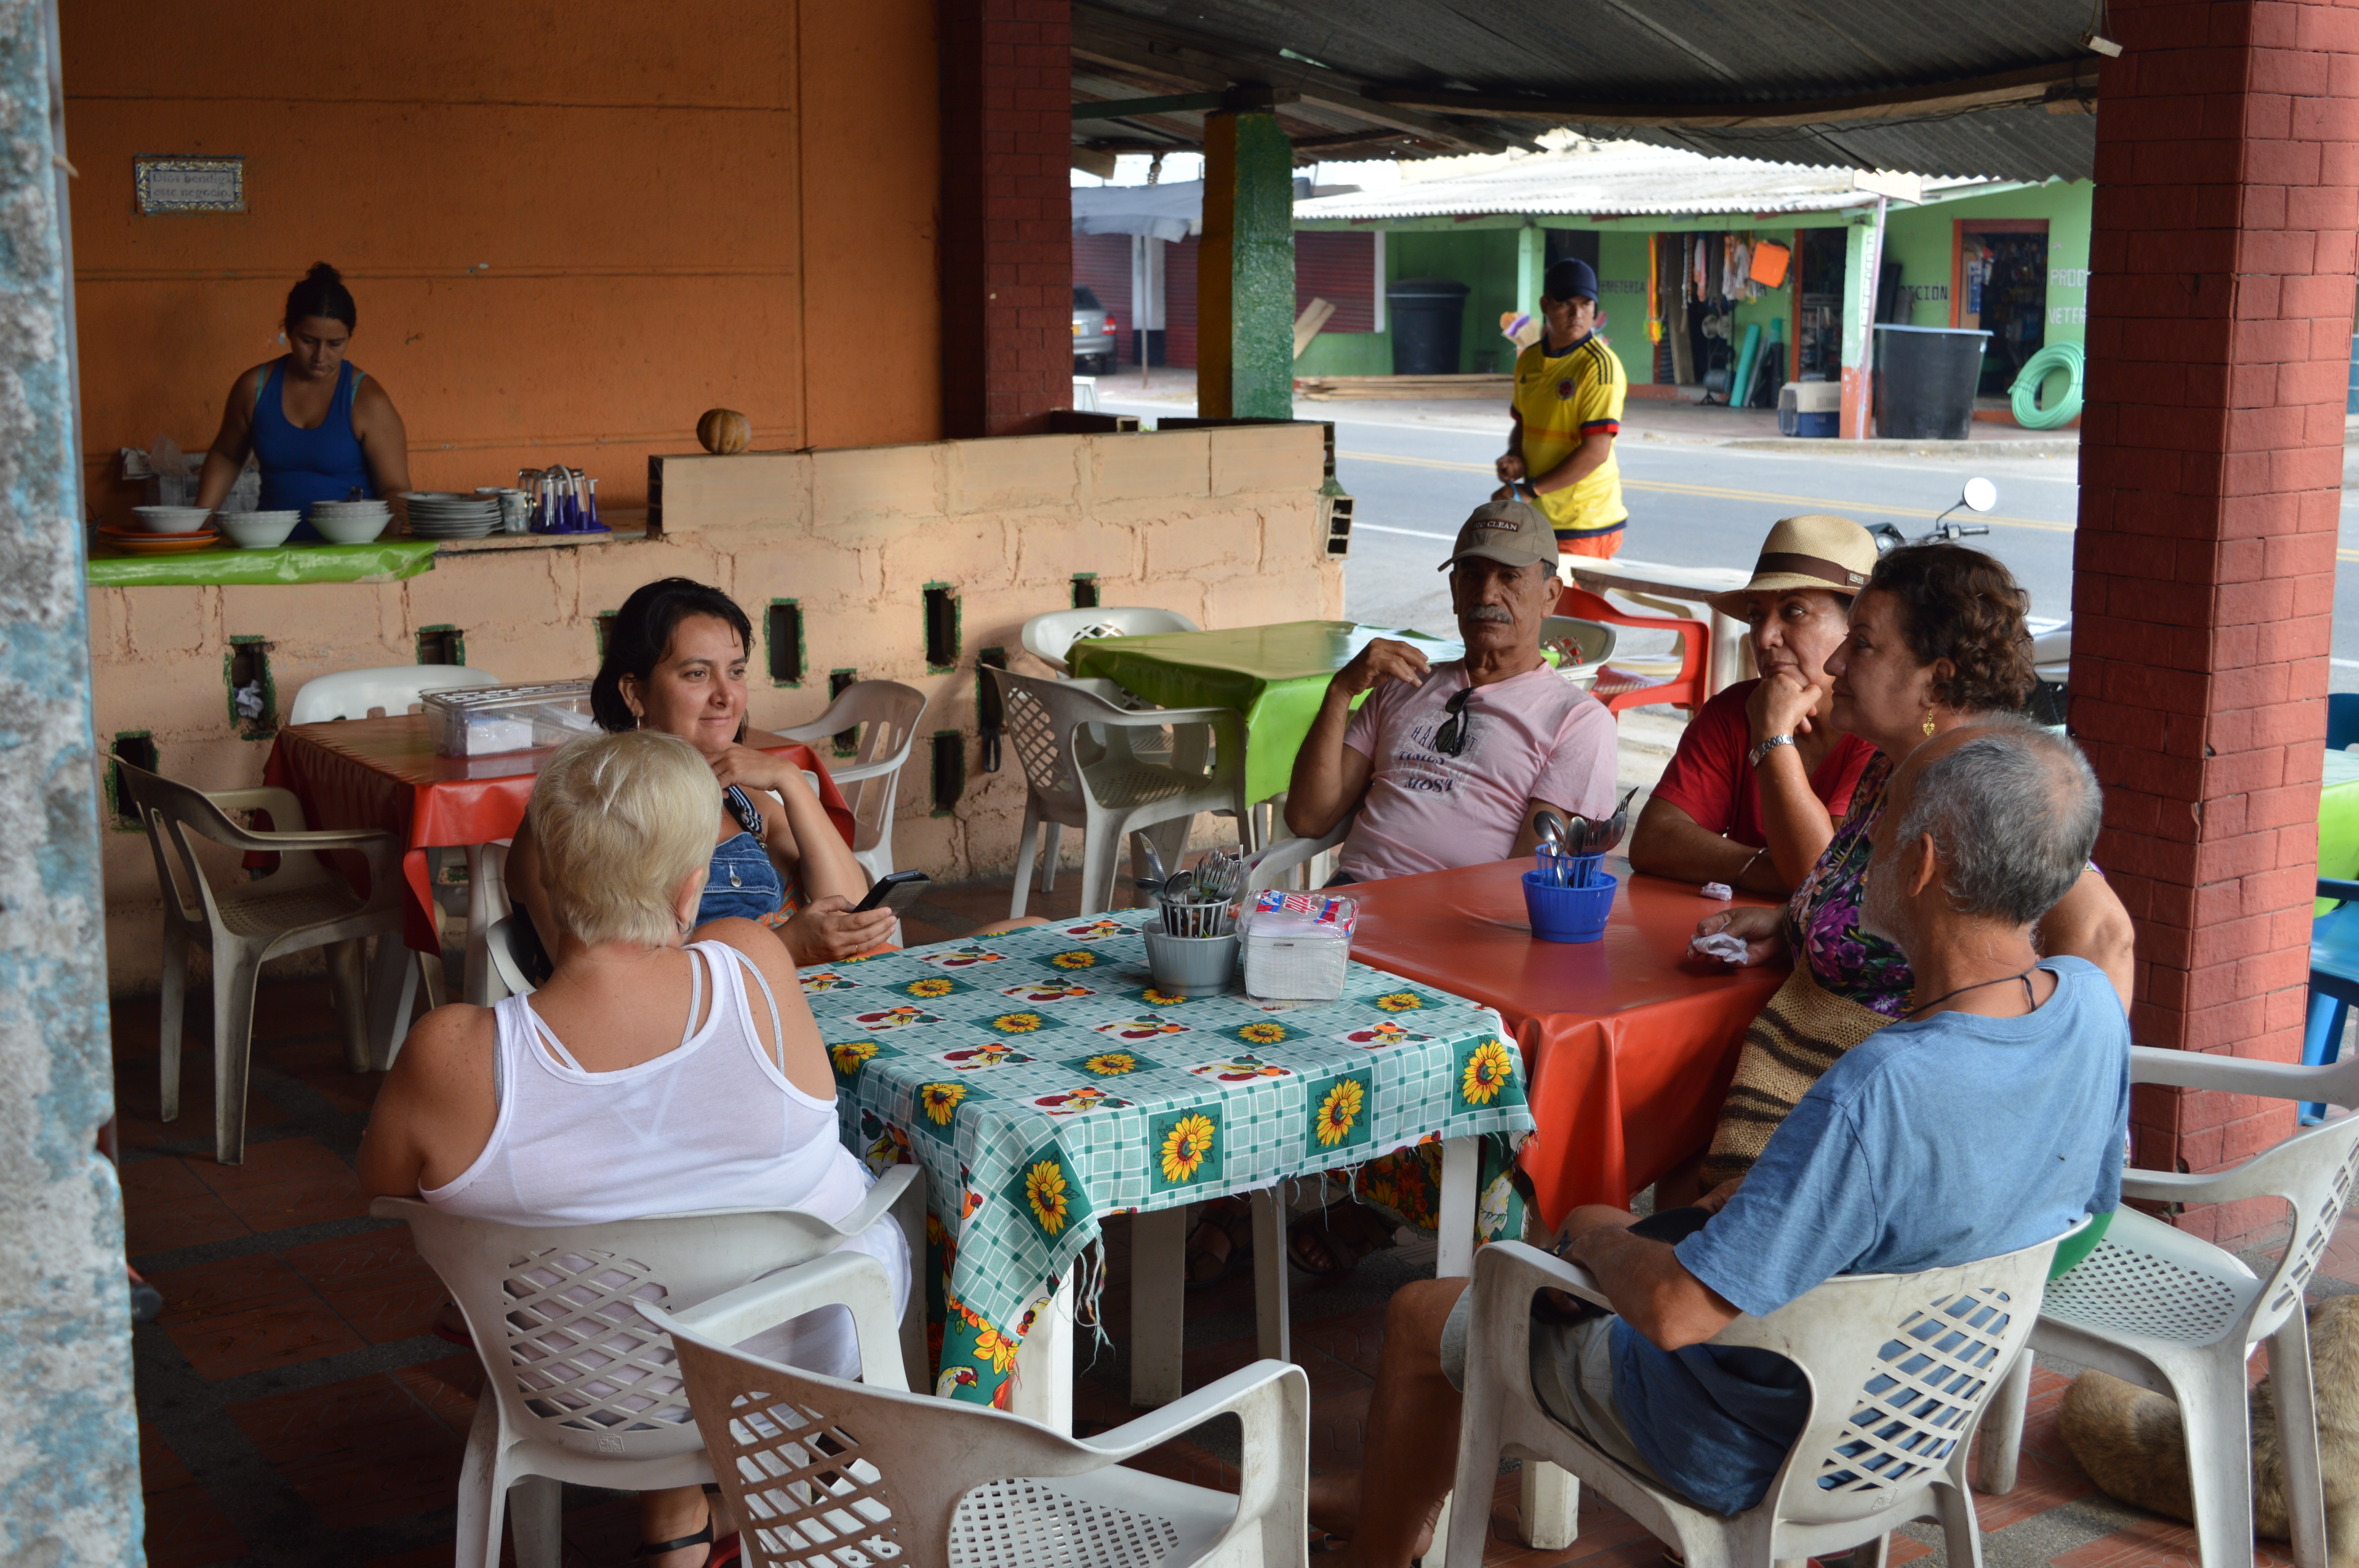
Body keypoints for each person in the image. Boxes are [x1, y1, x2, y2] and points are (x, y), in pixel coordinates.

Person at [1304, 717, 2131, 1564]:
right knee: (1609, 1214)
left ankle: (1380, 1543)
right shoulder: (2090, 1007)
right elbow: (2072, 1208)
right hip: (1919, 1412)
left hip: (1744, 1438)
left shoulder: (1878, 1086)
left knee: (1429, 1308)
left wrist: (1591, 1239)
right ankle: (1380, 1500)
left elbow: (1672, 1312)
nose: (1855, 857)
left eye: (1874, 835)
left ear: (1922, 866)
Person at [359, 729, 910, 1568]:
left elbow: (384, 1185)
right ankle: (782, 1492)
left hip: (577, 1389)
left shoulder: (453, 1052)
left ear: (544, 877)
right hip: (799, 1372)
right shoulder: (754, 962)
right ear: (692, 889)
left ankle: (696, 1512)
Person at [1693, 543, 2135, 1191]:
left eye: (1863, 645)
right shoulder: (1895, 763)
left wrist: (2027, 1123)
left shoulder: (1985, 787)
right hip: (1814, 1109)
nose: (1837, 661)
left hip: (1894, 1162)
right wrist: (1799, 921)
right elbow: (1919, 902)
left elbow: (2103, 936)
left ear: (1936, 677)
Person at [507, 578, 896, 969]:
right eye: (697, 674)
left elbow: (852, 911)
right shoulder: (581, 813)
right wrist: (784, 947)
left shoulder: (746, 804)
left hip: (784, 1007)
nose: (726, 696)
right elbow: (600, 980)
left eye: (737, 671)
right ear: (634, 693)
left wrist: (791, 782)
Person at [1284, 498, 1617, 884]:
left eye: (1509, 577)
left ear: (1550, 595)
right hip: (1351, 902)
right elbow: (1309, 817)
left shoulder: (1577, 720)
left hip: (1457, 922)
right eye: (1472, 575)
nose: (1487, 594)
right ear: (1455, 588)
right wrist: (1341, 691)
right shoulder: (1403, 684)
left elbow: (1529, 875)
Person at [1628, 514, 1879, 895]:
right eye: (1755, 616)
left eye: (1794, 611)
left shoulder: (1882, 733)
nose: (1764, 638)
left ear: (1856, 625)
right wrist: (1770, 868)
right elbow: (1652, 840)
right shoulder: (1733, 711)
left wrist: (1772, 736)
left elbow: (1819, 878)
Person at [194, 263, 412, 540]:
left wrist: (378, 554)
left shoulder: (367, 399)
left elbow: (394, 489)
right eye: (308, 341)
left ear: (349, 338)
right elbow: (226, 456)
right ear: (288, 330)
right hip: (273, 550)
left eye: (335, 344)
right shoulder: (255, 388)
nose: (320, 357)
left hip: (351, 554)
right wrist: (199, 523)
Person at [1493, 257, 1628, 560]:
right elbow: (1524, 424)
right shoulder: (1528, 361)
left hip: (1584, 522)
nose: (1577, 314)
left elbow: (1596, 451)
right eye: (1566, 303)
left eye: (1586, 304)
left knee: (1568, 608)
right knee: (1536, 606)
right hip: (1539, 516)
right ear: (1546, 304)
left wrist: (1528, 491)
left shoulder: (1599, 366)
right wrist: (1516, 459)